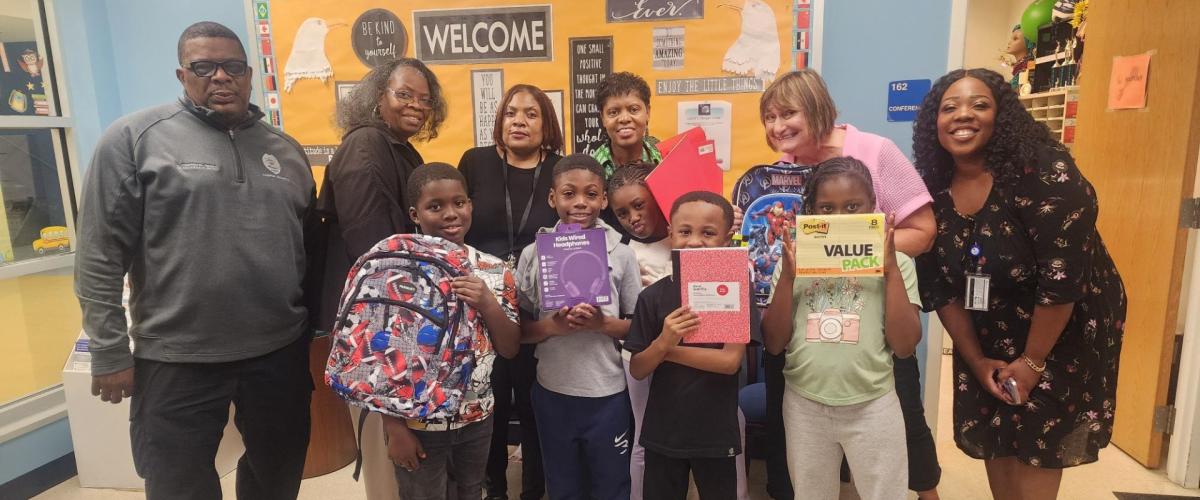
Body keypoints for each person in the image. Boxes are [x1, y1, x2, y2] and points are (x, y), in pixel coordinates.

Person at [75, 21, 314, 499]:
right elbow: (100, 253)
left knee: (277, 476)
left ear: (249, 75)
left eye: (232, 67)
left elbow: (303, 249)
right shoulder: (134, 140)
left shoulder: (286, 152)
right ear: (182, 75)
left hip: (277, 352)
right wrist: (108, 348)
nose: (220, 77)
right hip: (177, 356)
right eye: (204, 67)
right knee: (178, 485)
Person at [912, 68, 1126, 500]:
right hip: (987, 329)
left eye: (979, 104)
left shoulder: (1045, 172)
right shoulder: (931, 190)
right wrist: (974, 360)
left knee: (1037, 439)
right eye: (949, 107)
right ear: (934, 122)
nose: (962, 115)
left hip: (1059, 328)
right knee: (997, 426)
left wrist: (1031, 362)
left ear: (1002, 116)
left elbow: (1062, 280)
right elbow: (940, 287)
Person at [756, 68, 941, 499]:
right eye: (768, 117)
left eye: (788, 114)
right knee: (810, 464)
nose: (777, 127)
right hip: (809, 355)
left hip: (873, 325)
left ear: (817, 108)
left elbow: (924, 230)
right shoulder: (780, 173)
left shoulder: (874, 152)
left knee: (904, 432)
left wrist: (863, 255)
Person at [317, 57, 446, 500]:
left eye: (425, 100)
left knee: (407, 453)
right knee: (387, 449)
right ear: (378, 98)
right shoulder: (366, 144)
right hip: (379, 318)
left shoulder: (398, 147)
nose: (416, 105)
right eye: (404, 94)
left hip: (399, 314)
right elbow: (374, 246)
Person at [762, 157, 922, 500]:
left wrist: (891, 271)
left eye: (852, 207)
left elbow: (905, 345)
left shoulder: (898, 263)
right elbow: (774, 343)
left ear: (872, 208)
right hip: (805, 403)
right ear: (812, 213)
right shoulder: (792, 262)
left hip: (873, 403)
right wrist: (788, 277)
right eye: (826, 208)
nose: (839, 218)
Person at [380, 163, 522, 500]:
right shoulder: (396, 270)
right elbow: (378, 355)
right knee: (423, 494)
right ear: (415, 214)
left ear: (470, 205)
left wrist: (488, 302)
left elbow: (510, 348)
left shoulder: (493, 269)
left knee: (471, 491)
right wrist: (393, 426)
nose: (450, 214)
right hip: (416, 421)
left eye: (459, 203)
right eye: (435, 206)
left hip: (477, 416)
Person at [458, 83, 562, 500]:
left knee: (537, 404)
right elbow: (454, 220)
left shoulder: (559, 167)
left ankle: (534, 490)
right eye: (511, 113)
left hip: (539, 301)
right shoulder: (475, 161)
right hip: (483, 303)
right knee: (491, 401)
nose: (519, 121)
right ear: (499, 120)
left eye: (531, 114)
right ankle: (495, 488)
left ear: (546, 123)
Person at [515, 154, 641, 500]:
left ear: (603, 199)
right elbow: (518, 331)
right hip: (553, 390)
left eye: (591, 194)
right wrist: (552, 328)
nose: (580, 203)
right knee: (563, 484)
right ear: (553, 198)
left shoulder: (623, 254)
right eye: (569, 194)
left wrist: (603, 323)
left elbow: (637, 328)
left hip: (608, 392)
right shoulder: (532, 254)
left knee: (611, 484)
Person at [626, 191, 758, 500]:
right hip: (663, 433)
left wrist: (666, 349)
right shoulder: (652, 297)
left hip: (715, 432)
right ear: (671, 234)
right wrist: (662, 341)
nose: (695, 241)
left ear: (727, 238)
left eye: (708, 233)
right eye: (685, 231)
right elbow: (638, 367)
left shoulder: (734, 287)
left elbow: (729, 363)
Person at [591, 72, 662, 179]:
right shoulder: (592, 170)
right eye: (613, 112)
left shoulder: (665, 158)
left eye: (633, 110)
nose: (624, 119)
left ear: (647, 112)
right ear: (603, 118)